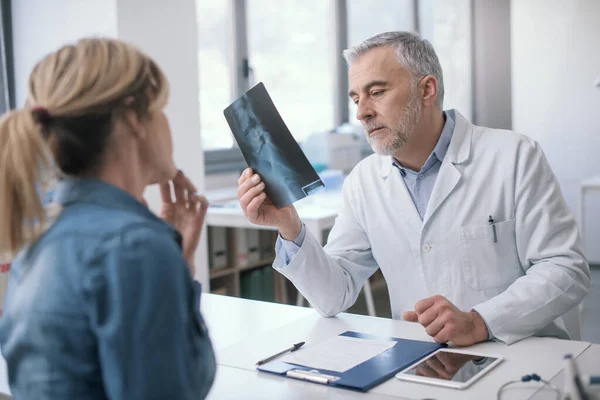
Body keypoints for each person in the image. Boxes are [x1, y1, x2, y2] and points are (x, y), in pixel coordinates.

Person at [236, 31, 591, 346]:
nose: (362, 112)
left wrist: (480, 321)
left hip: (519, 354)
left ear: (427, 89)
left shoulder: (513, 156)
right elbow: (335, 294)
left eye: (376, 92)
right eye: (356, 98)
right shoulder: (364, 182)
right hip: (421, 361)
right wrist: (289, 225)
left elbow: (566, 269)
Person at [0, 38, 215, 399]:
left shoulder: (40, 232)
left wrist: (177, 264)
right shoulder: (134, 247)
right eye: (162, 109)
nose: (168, 125)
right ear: (134, 118)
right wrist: (158, 257)